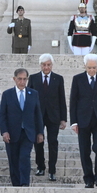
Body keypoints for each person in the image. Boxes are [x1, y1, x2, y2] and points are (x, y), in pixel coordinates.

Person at [69, 53, 97, 188]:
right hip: (83, 120)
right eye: (89, 68)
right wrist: (74, 122)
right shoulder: (77, 79)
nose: (92, 70)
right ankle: (88, 179)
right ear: (85, 66)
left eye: (94, 68)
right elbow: (73, 101)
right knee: (84, 150)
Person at [0, 68, 44, 187]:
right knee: (13, 159)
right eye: (20, 79)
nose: (22, 81)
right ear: (14, 79)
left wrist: (40, 132)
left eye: (25, 79)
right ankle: (16, 184)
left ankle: (25, 183)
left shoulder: (33, 94)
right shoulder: (7, 94)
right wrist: (4, 131)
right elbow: (2, 115)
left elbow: (37, 114)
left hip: (28, 132)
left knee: (24, 157)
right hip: (12, 133)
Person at [28, 53, 67, 181]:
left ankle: (52, 170)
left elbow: (62, 99)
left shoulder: (58, 78)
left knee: (52, 142)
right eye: (44, 65)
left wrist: (63, 118)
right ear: (40, 65)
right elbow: (29, 98)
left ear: (52, 65)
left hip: (53, 116)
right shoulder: (33, 78)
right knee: (38, 142)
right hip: (37, 116)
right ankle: (40, 166)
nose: (46, 67)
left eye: (48, 65)